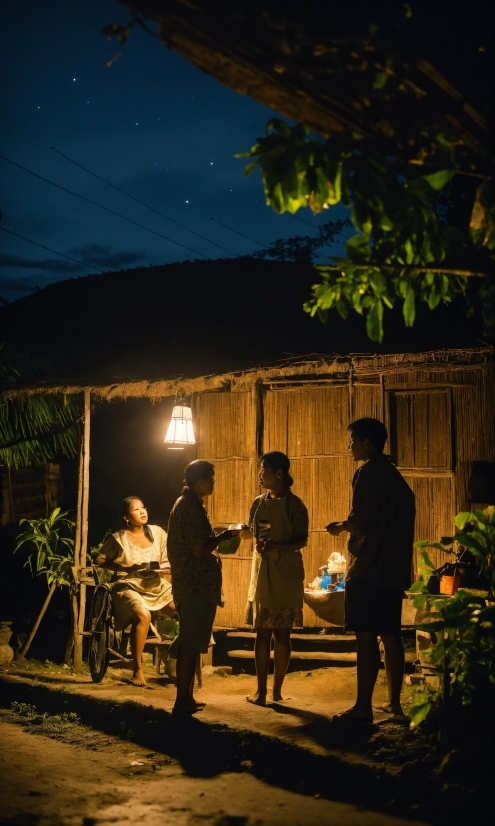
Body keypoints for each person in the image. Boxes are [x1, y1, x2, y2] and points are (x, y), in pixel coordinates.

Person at [326, 418, 415, 723]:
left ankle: (362, 708)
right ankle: (394, 704)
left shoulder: (367, 472)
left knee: (365, 638)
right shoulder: (395, 476)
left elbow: (361, 521)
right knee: (390, 636)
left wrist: (340, 526)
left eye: (352, 440)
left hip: (368, 568)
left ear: (367, 444)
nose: (349, 446)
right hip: (393, 570)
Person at [167, 460, 238, 714]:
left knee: (195, 641)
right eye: (211, 477)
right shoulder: (189, 507)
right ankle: (181, 699)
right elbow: (199, 549)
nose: (214, 482)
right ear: (200, 481)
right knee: (189, 642)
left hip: (196, 583)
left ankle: (186, 696)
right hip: (193, 583)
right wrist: (221, 537)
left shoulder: (193, 504)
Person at [241, 451, 308, 706]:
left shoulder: (295, 504)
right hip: (263, 571)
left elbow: (301, 539)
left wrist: (276, 546)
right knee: (262, 633)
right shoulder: (259, 502)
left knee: (282, 634)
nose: (260, 474)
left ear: (278, 474)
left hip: (286, 574)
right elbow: (256, 533)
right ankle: (261, 690)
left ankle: (277, 690)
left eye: (264, 469)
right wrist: (242, 533)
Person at [96, 496, 175, 687]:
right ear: (126, 517)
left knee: (181, 610)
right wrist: (125, 566)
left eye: (143, 508)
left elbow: (167, 560)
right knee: (143, 615)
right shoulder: (119, 538)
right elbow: (98, 559)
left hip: (155, 584)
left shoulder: (157, 533)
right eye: (136, 509)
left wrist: (162, 569)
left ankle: (174, 659)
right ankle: (137, 669)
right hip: (128, 585)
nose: (142, 512)